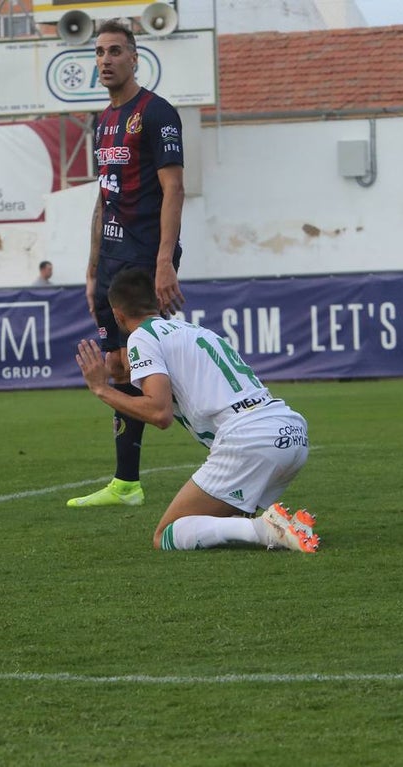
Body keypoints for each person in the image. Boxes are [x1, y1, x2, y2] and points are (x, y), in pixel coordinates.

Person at [74, 268, 318, 552]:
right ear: (158, 303)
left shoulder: (141, 336)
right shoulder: (193, 330)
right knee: (218, 522)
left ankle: (265, 529)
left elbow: (159, 413)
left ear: (117, 315)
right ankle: (285, 527)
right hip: (290, 431)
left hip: (250, 439)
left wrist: (101, 388)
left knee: (166, 535)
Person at [67, 19, 187, 508]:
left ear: (135, 58)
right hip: (112, 258)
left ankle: (228, 435)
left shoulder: (156, 112)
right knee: (117, 362)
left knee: (149, 359)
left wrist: (165, 261)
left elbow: (174, 188)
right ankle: (127, 484)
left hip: (144, 255)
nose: (106, 60)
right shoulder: (103, 121)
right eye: (99, 52)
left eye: (115, 51)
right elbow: (104, 197)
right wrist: (92, 269)